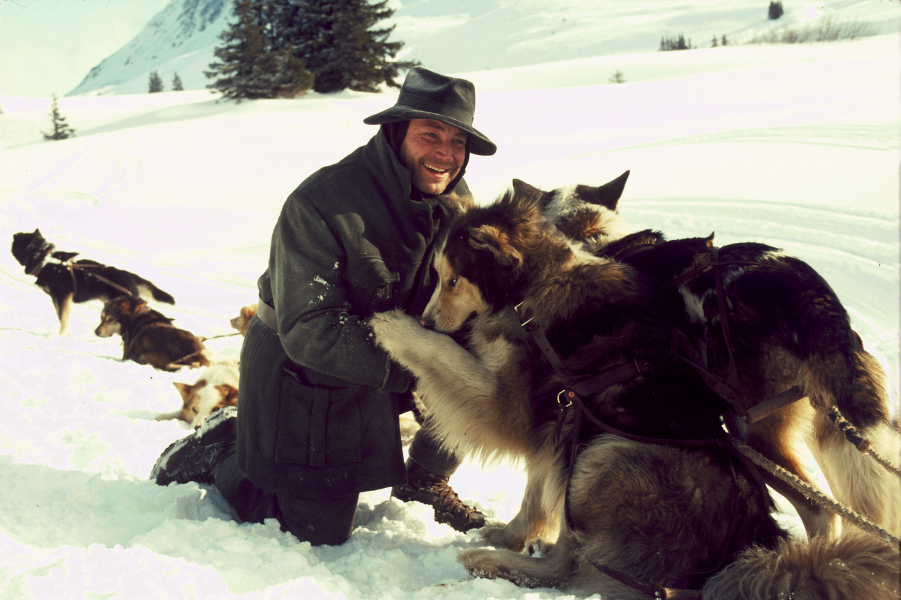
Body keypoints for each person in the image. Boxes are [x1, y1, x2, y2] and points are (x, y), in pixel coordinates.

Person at [150, 66, 498, 546]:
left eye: (458, 141)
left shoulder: (457, 199)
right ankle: (223, 446)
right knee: (318, 532)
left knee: (478, 365)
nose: (445, 153)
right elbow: (311, 330)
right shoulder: (322, 203)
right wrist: (423, 365)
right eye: (430, 135)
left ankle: (423, 477)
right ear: (397, 131)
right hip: (307, 373)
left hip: (393, 352)